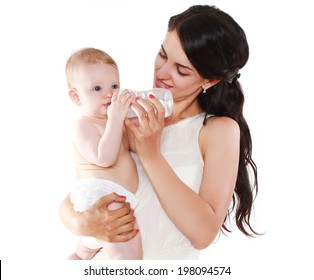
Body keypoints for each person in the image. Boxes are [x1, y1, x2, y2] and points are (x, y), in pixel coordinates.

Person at [59, 5, 259, 260]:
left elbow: (204, 233)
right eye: (162, 55)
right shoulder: (127, 110)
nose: (162, 73)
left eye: (182, 70)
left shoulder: (217, 130)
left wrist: (150, 153)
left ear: (210, 81)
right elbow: (88, 181)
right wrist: (79, 223)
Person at [65, 47, 142, 260]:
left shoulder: (115, 123)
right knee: (130, 259)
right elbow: (104, 158)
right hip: (101, 199)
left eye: (114, 86)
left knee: (83, 255)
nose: (109, 94)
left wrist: (135, 122)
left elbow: (136, 148)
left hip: (113, 198)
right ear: (76, 97)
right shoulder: (83, 126)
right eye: (97, 88)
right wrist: (116, 120)